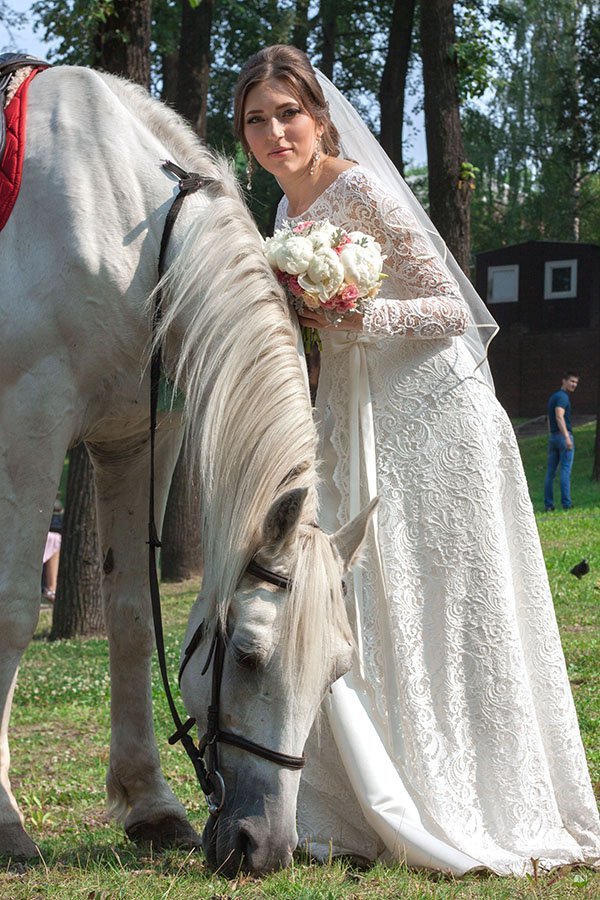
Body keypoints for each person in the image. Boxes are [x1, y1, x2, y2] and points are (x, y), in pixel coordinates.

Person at [233, 46, 600, 876]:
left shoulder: (357, 187)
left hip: (432, 411)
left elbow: (449, 307)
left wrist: (353, 312)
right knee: (364, 595)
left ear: (321, 118)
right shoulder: (282, 219)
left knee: (446, 595)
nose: (275, 132)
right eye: (257, 119)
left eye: (288, 113)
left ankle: (478, 796)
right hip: (350, 415)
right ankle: (371, 797)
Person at [544, 371, 579, 511]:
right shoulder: (563, 397)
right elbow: (559, 416)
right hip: (562, 437)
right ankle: (566, 504)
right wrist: (566, 437)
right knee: (565, 471)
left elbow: (549, 417)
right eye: (571, 381)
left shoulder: (554, 397)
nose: (574, 385)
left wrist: (551, 435)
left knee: (550, 473)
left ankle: (549, 505)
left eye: (576, 382)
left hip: (553, 437)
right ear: (563, 381)